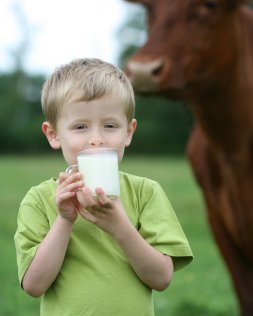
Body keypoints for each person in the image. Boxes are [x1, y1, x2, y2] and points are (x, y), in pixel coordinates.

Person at [14, 58, 193, 316]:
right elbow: (33, 285)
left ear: (128, 132)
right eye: (80, 127)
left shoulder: (146, 193)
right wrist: (64, 221)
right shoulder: (39, 199)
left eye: (110, 125)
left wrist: (118, 224)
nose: (97, 139)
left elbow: (161, 278)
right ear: (53, 134)